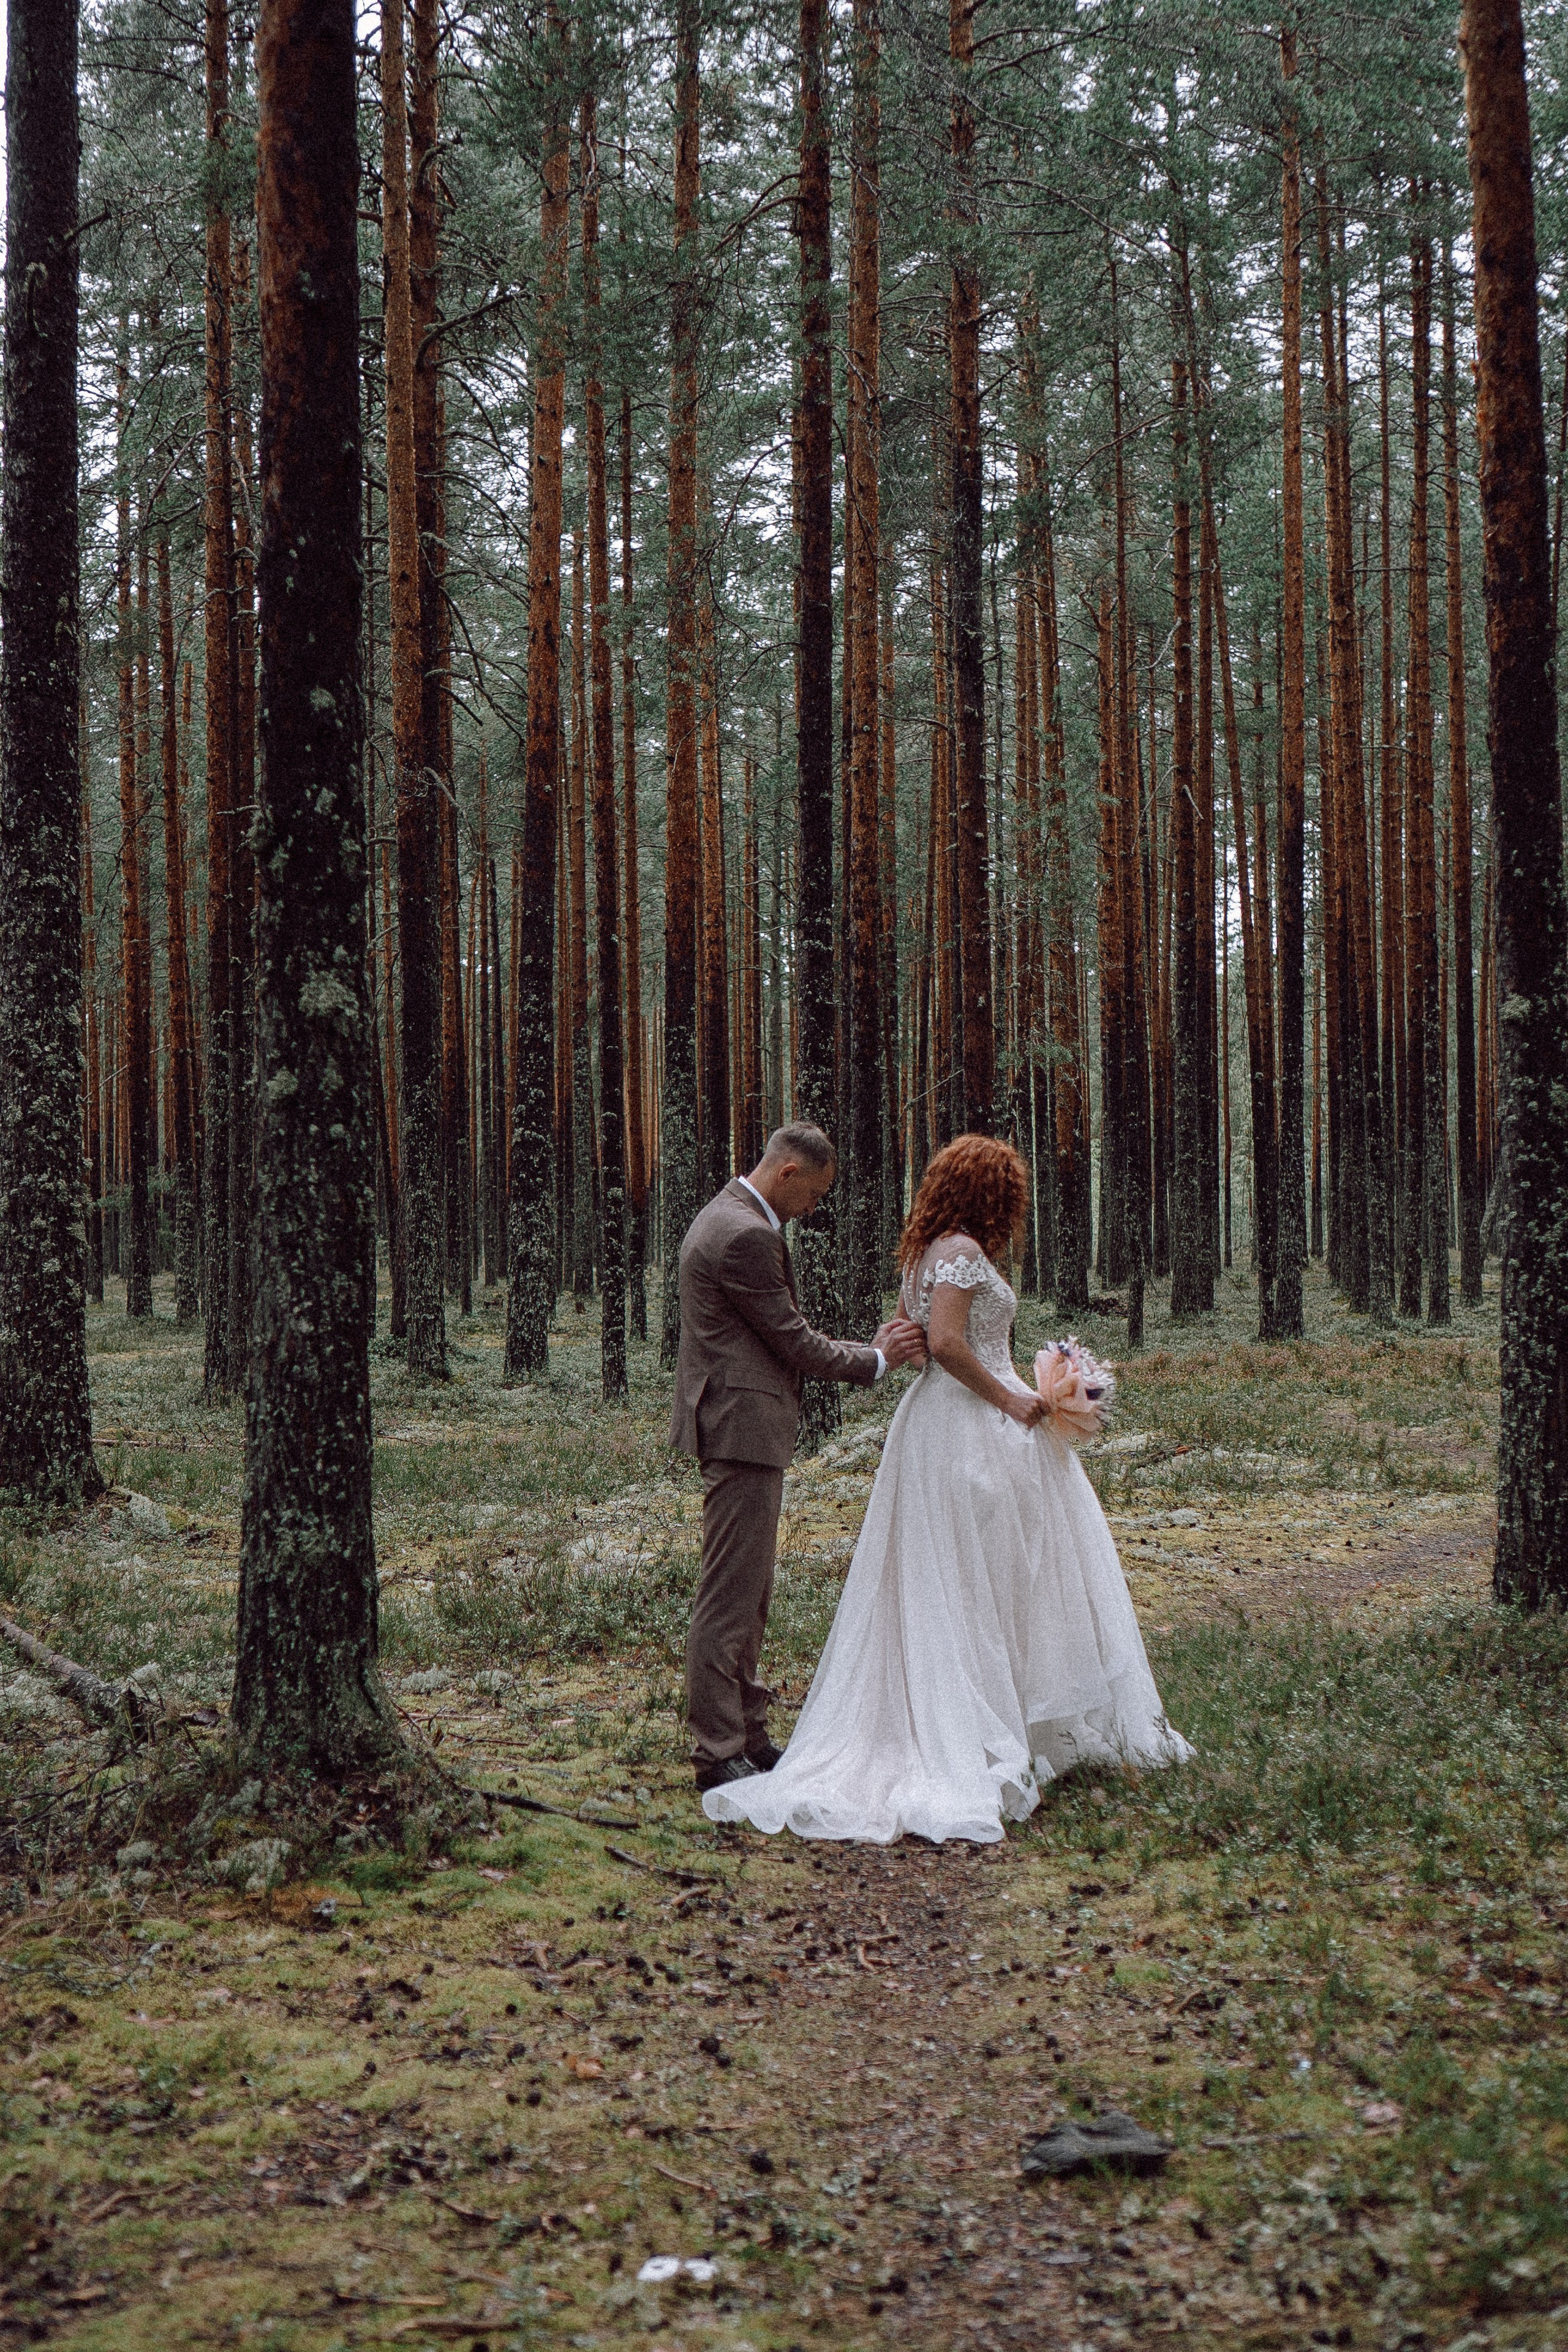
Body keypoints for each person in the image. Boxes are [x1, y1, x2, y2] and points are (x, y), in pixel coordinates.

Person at [702, 1133, 1193, 1844]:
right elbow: (951, 1343)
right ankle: (976, 1727)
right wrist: (1012, 1399)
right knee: (979, 1575)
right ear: (990, 1193)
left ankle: (1007, 1716)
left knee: (970, 1575)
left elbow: (921, 1335)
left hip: (941, 1424)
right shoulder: (960, 1252)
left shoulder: (926, 1255)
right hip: (968, 1427)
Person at [671, 1123, 927, 1793]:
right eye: (813, 1194)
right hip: (740, 1427)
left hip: (739, 1424)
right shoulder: (746, 1236)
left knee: (748, 1592)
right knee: (729, 1597)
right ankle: (717, 1749)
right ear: (787, 1173)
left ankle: (748, 1735)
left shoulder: (726, 1215)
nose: (814, 1208)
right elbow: (794, 1342)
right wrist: (877, 1359)